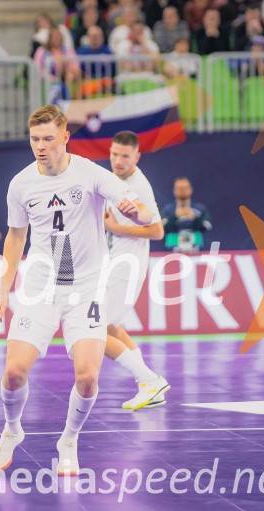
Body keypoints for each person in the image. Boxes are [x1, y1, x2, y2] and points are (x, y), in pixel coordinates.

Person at [0, 106, 153, 475]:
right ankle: (12, 430)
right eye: (34, 139)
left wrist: (136, 211)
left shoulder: (91, 174)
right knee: (14, 371)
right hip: (41, 285)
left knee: (88, 377)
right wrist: (4, 288)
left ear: (65, 137)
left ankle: (69, 439)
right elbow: (16, 237)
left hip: (86, 287)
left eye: (48, 139)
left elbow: (139, 209)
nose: (41, 147)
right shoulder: (21, 184)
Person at [102, 132, 169, 410]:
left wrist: (116, 228)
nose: (118, 161)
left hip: (127, 267)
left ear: (136, 157)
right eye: (114, 154)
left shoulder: (137, 186)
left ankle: (149, 379)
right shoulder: (116, 179)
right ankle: (149, 385)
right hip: (118, 263)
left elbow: (156, 230)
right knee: (113, 328)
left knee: (94, 329)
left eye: (125, 156)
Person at [161, 177, 212, 252]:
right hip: (172, 248)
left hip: (197, 248)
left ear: (190, 189)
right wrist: (175, 217)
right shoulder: (168, 210)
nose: (182, 191)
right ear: (174, 190)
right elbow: (161, 228)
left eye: (185, 188)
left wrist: (195, 218)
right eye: (179, 188)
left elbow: (208, 226)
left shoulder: (200, 208)